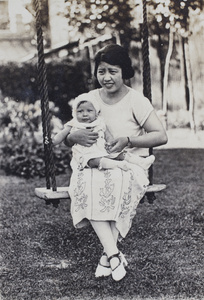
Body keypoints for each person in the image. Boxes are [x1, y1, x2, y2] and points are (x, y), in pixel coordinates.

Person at [64, 44, 168, 281]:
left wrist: (128, 140)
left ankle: (107, 256)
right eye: (101, 71)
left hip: (128, 162)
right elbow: (70, 134)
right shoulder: (89, 99)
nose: (106, 77)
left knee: (116, 180)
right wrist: (73, 137)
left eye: (113, 71)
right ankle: (113, 255)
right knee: (90, 181)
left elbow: (161, 135)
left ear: (124, 72)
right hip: (93, 161)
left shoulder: (136, 100)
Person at [52, 93, 155, 172]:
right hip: (85, 154)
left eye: (89, 111)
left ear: (96, 113)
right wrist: (52, 141)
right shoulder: (74, 123)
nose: (85, 114)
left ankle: (141, 162)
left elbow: (108, 135)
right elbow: (62, 134)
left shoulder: (100, 122)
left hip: (102, 149)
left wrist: (110, 144)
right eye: (80, 111)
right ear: (75, 113)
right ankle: (118, 165)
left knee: (119, 153)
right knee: (93, 160)